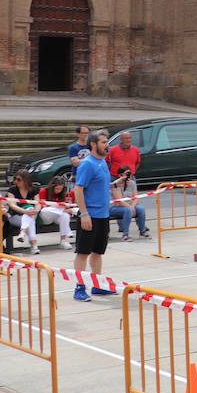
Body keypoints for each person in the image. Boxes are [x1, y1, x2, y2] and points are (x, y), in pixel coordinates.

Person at [71, 129, 115, 301]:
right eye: (104, 142)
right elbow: (78, 189)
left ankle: (97, 285)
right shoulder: (87, 164)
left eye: (107, 142)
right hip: (91, 215)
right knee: (83, 252)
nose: (107, 145)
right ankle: (79, 288)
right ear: (93, 144)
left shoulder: (102, 162)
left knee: (98, 252)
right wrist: (84, 214)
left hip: (103, 215)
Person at [5, 172, 45, 254]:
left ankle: (23, 233)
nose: (16, 181)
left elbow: (38, 203)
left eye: (19, 179)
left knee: (30, 216)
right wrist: (26, 211)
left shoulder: (34, 190)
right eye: (15, 179)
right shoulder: (12, 190)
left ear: (26, 180)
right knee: (30, 217)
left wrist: (36, 211)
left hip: (31, 215)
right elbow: (12, 205)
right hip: (15, 216)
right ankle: (34, 246)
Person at [35, 176, 76, 250]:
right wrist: (58, 206)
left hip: (58, 216)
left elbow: (66, 206)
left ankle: (64, 241)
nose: (58, 191)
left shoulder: (63, 193)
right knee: (46, 210)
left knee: (65, 215)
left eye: (60, 189)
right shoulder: (44, 191)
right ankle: (68, 231)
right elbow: (44, 206)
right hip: (46, 216)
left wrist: (66, 205)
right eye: (57, 189)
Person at [109, 165, 150, 240]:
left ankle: (142, 230)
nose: (129, 176)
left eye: (130, 174)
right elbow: (120, 200)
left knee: (140, 208)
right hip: (116, 207)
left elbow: (135, 197)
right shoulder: (115, 184)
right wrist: (130, 207)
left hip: (130, 205)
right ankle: (125, 234)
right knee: (127, 210)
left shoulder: (132, 183)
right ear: (120, 175)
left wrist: (133, 206)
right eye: (127, 174)